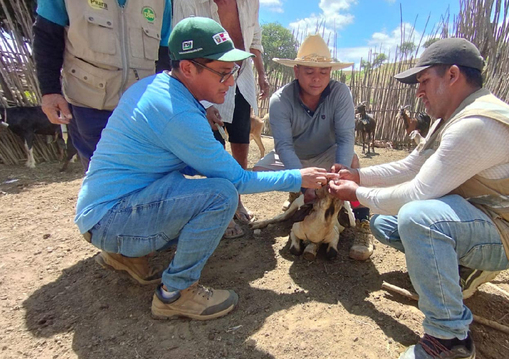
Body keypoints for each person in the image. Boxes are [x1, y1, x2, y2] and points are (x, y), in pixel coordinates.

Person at [75, 17, 335, 320]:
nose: (231, 81)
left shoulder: (158, 88)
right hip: (114, 217)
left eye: (234, 71)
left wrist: (201, 111)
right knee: (221, 195)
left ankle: (126, 255)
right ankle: (176, 293)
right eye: (223, 73)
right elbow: (236, 180)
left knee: (191, 186)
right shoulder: (178, 114)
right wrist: (298, 177)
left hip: (103, 212)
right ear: (188, 68)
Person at [328, 38, 509, 359]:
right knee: (384, 222)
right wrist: (359, 176)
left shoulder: (476, 124)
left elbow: (418, 192)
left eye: (423, 81)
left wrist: (357, 195)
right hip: (482, 218)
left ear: (452, 75)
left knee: (418, 217)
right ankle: (458, 272)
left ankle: (450, 341)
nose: (418, 91)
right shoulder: (450, 119)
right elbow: (412, 165)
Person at [252, 34, 374, 261]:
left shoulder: (340, 93)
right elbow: (284, 146)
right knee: (260, 172)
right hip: (295, 156)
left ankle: (362, 222)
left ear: (331, 72)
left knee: (353, 164)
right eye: (309, 72)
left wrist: (339, 173)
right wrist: (300, 180)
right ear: (296, 71)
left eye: (324, 72)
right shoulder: (280, 100)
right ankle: (297, 194)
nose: (317, 79)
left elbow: (346, 137)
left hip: (327, 155)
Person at [33, 0, 173, 170]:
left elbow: (164, 52)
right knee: (102, 176)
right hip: (89, 105)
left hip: (140, 108)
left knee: (143, 176)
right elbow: (47, 34)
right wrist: (50, 91)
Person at [173, 0, 270, 238]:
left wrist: (261, 74)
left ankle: (235, 199)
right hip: (205, 79)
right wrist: (201, 104)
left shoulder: (250, 2)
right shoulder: (188, 3)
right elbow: (180, 44)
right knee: (214, 143)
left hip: (240, 77)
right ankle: (220, 207)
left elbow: (255, 38)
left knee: (240, 139)